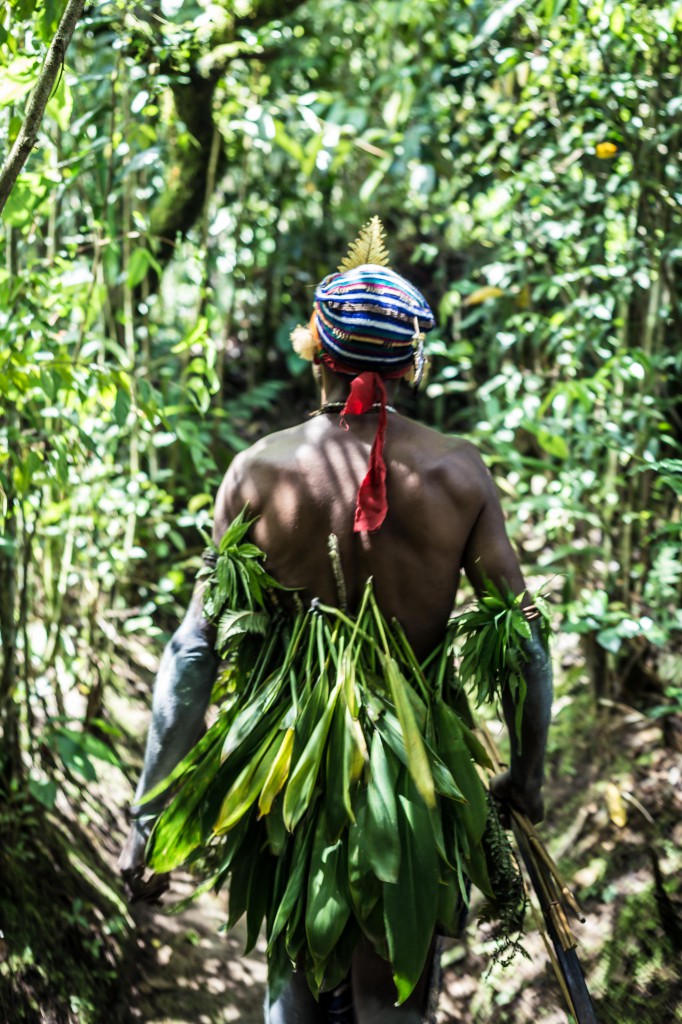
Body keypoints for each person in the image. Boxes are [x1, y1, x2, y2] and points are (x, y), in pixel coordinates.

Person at [118, 223, 552, 1024]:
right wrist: (526, 777)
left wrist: (150, 821)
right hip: (416, 778)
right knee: (393, 996)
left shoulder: (256, 472)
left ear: (316, 352)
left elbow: (192, 654)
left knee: (293, 982)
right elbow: (524, 642)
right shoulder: (461, 475)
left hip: (287, 777)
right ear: (411, 363)